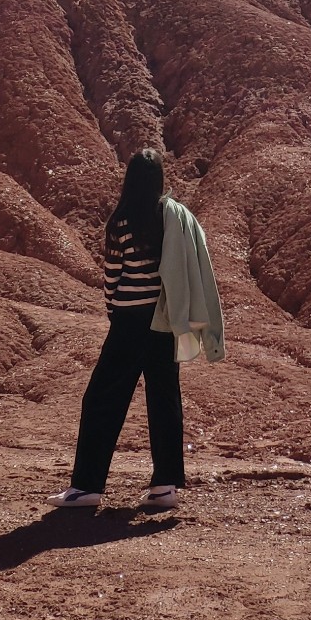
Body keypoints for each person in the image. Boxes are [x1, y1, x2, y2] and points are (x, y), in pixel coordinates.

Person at [50, 148, 225, 512]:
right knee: (164, 399)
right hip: (164, 321)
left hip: (129, 322)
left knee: (102, 399)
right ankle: (165, 487)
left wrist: (113, 310)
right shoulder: (173, 219)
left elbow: (113, 277)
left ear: (129, 179)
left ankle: (87, 486)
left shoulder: (122, 221)